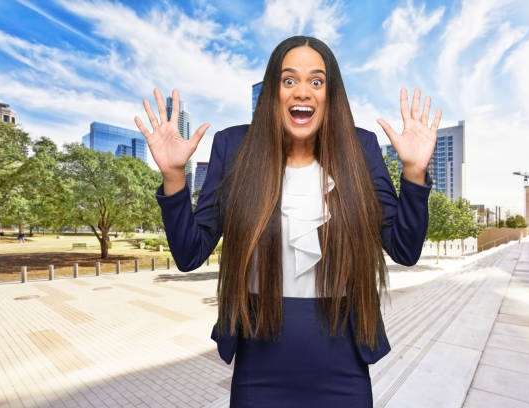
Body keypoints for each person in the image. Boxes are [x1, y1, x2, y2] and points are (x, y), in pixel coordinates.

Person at [135, 35, 441, 407]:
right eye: (289, 80)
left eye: (316, 81)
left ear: (331, 95)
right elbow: (189, 253)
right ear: (273, 92)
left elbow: (405, 250)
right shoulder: (234, 147)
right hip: (259, 368)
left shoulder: (360, 148)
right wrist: (173, 176)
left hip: (342, 367)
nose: (303, 92)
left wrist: (413, 172)